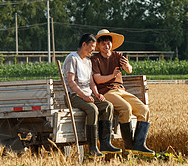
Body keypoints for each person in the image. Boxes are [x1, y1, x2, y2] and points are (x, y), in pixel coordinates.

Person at [91, 29, 155, 157]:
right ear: (98, 45)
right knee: (125, 108)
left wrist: (127, 66)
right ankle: (129, 145)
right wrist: (112, 75)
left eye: (108, 43)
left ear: (112, 44)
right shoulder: (95, 59)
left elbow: (129, 70)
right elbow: (97, 79)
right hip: (106, 92)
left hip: (121, 90)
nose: (106, 46)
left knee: (144, 110)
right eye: (103, 43)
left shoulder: (118, 55)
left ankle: (139, 144)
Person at [62, 33, 122, 157]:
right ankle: (92, 147)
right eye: (92, 46)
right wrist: (84, 96)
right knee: (92, 109)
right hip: (73, 96)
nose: (93, 49)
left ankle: (105, 143)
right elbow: (70, 82)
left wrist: (97, 94)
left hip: (87, 96)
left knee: (107, 106)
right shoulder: (72, 58)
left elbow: (91, 82)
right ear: (84, 44)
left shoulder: (88, 62)